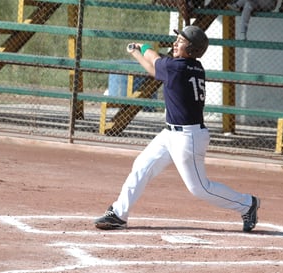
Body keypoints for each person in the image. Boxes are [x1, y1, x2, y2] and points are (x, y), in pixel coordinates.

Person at [94, 26, 260, 232]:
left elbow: (154, 59)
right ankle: (118, 214)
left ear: (191, 49)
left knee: (199, 188)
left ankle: (247, 203)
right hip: (170, 134)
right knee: (142, 166)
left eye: (180, 41)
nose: (175, 43)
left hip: (188, 137)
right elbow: (155, 71)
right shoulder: (193, 67)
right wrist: (136, 53)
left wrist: (142, 46)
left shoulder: (177, 67)